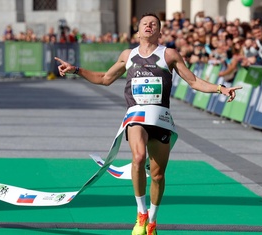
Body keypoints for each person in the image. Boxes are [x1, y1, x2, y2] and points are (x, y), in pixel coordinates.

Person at [55, 13, 242, 235]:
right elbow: (105, 78)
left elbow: (193, 81)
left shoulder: (169, 54)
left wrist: (222, 88)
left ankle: (152, 221)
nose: (149, 26)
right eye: (145, 23)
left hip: (160, 118)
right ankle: (141, 213)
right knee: (137, 157)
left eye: (154, 24)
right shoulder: (128, 55)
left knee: (158, 175)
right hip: (136, 116)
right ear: (138, 30)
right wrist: (76, 70)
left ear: (160, 31)